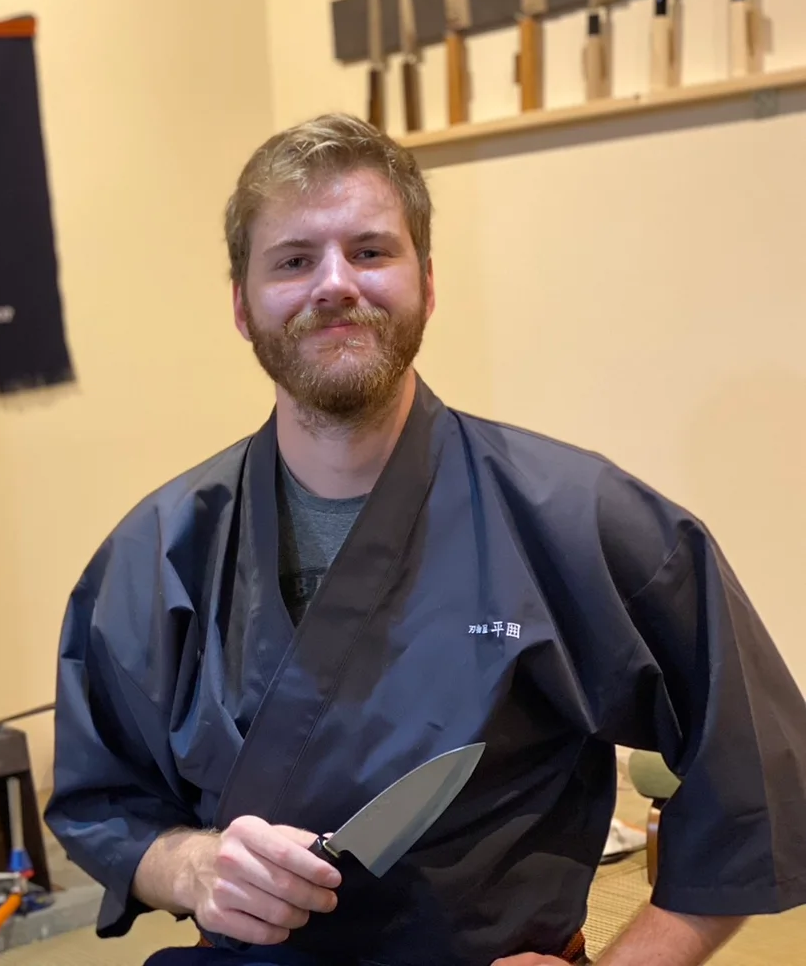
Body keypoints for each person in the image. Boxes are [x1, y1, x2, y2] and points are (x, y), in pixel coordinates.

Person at [42, 113, 806, 966]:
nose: (334, 284)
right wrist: (188, 868)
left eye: (369, 252)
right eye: (293, 260)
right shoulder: (158, 552)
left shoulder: (569, 514)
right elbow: (100, 804)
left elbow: (757, 772)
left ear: (428, 284)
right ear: (240, 304)